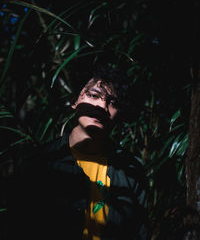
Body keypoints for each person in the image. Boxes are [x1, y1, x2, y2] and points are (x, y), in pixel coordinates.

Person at [3, 62, 150, 239]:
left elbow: (139, 233)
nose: (102, 107)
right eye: (94, 95)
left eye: (112, 103)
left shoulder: (130, 171)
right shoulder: (41, 162)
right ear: (74, 101)